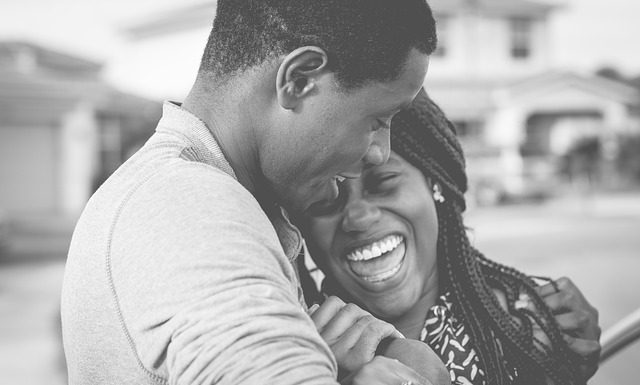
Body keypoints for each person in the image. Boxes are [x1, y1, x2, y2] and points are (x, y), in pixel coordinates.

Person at [60, 1, 441, 384]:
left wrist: (383, 352)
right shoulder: (190, 209)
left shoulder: (186, 195)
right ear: (299, 80)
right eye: (378, 120)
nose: (380, 152)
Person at [299, 89, 602, 385]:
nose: (358, 217)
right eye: (327, 197)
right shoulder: (292, 346)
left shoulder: (523, 332)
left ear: (436, 184)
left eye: (383, 183)